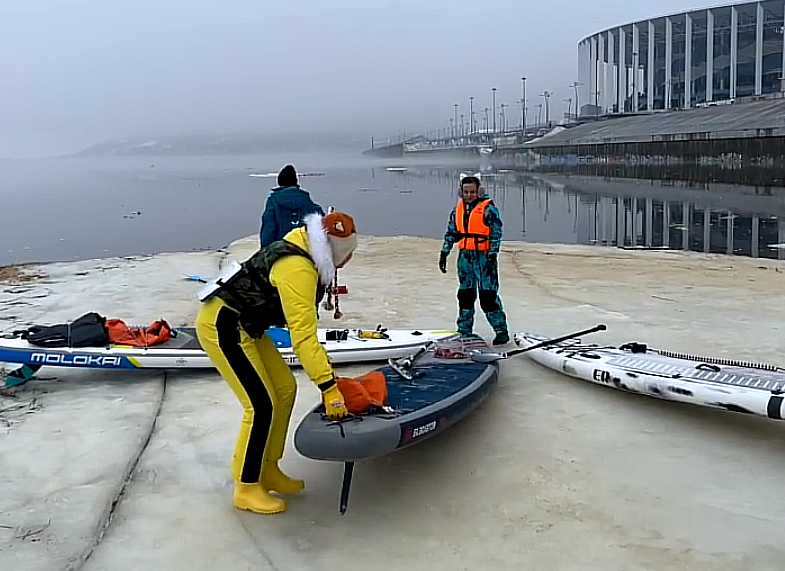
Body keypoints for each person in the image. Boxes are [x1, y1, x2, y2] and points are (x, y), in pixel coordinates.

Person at [196, 210, 359, 515]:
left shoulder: (306, 247)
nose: (348, 262)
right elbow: (303, 338)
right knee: (259, 405)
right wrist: (328, 387)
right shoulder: (298, 268)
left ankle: (267, 467)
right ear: (335, 251)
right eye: (347, 255)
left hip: (247, 325)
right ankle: (245, 486)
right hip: (223, 325)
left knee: (284, 389)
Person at [439, 174, 509, 346]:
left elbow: (496, 232)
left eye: (472, 191)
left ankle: (501, 331)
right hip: (465, 257)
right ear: (461, 192)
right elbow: (451, 233)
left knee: (488, 296)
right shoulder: (458, 210)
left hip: (484, 258)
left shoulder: (488, 209)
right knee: (465, 295)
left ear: (479, 191)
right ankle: (464, 330)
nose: (469, 195)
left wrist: (493, 253)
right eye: (465, 192)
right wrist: (444, 252)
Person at [259, 164, 325, 248]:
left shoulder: (273, 202)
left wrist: (265, 251)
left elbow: (268, 229)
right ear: (295, 181)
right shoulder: (307, 201)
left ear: (280, 182)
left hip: (280, 249)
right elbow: (320, 223)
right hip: (303, 248)